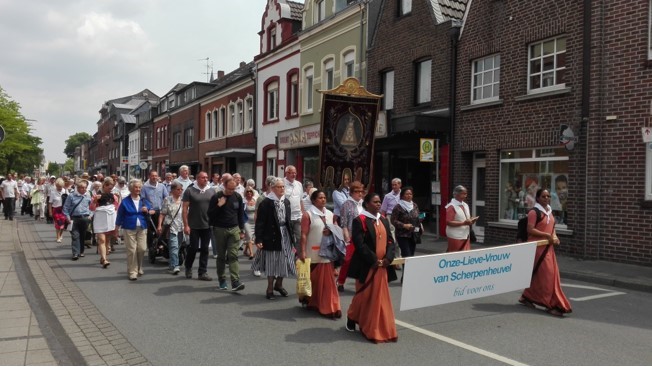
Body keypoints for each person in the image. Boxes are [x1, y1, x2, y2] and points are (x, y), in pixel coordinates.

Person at [345, 193, 398, 343]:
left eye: (379, 201)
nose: (378, 204)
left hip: (383, 266)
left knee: (380, 298)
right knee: (364, 295)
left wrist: (388, 258)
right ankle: (352, 316)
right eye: (375, 202)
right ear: (367, 204)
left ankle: (379, 327)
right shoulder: (359, 220)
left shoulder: (383, 220)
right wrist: (374, 260)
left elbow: (390, 242)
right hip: (367, 266)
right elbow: (359, 244)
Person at [519, 189, 572, 317]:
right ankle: (551, 304)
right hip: (537, 248)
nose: (546, 198)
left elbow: (552, 229)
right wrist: (546, 235)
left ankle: (527, 297)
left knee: (544, 275)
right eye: (543, 196)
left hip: (548, 248)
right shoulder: (534, 212)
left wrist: (554, 236)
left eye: (548, 196)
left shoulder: (549, 212)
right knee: (547, 276)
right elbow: (530, 229)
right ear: (537, 198)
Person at [299, 189, 342, 318]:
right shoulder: (308, 214)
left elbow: (336, 230)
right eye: (320, 198)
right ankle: (311, 300)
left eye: (324, 197)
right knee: (313, 280)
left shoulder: (330, 214)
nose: (323, 200)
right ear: (313, 200)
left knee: (328, 282)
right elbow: (304, 234)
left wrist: (332, 231)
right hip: (312, 251)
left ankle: (330, 307)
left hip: (327, 253)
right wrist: (302, 251)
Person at [255, 177, 297, 300]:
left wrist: (292, 236)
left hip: (285, 234)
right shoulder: (266, 203)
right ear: (272, 188)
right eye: (279, 187)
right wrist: (259, 239)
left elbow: (289, 220)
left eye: (283, 186)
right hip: (272, 235)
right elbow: (260, 222)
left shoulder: (286, 201)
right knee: (272, 262)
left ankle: (279, 284)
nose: (282, 189)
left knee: (286, 260)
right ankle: (269, 288)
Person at [208, 177, 245, 291]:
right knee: (221, 257)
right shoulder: (216, 197)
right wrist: (219, 205)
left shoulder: (237, 197)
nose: (231, 191)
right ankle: (222, 280)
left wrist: (242, 230)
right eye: (229, 189)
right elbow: (210, 214)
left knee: (233, 255)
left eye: (233, 189)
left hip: (234, 229)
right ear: (224, 185)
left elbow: (240, 214)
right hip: (220, 229)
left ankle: (235, 281)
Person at [115, 179, 153, 281]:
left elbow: (150, 209)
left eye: (139, 187)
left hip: (142, 227)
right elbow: (120, 215)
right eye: (136, 187)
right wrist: (116, 228)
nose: (138, 189)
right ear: (131, 188)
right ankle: (132, 272)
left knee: (142, 248)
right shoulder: (125, 201)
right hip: (129, 227)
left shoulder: (143, 200)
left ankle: (139, 267)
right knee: (132, 250)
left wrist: (147, 210)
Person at [182, 171, 215, 281]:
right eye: (203, 177)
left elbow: (215, 208)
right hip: (193, 225)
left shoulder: (211, 191)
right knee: (193, 248)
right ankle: (188, 266)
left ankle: (202, 272)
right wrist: (186, 225)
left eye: (206, 177)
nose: (205, 179)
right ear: (197, 178)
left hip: (207, 225)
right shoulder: (189, 191)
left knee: (205, 249)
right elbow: (185, 210)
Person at [336, 181, 365, 291]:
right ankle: (340, 281)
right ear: (352, 193)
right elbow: (343, 223)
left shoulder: (363, 203)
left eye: (361, 191)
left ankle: (361, 282)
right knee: (347, 260)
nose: (359, 194)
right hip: (351, 235)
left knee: (363, 259)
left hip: (363, 235)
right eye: (357, 191)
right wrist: (347, 237)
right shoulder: (346, 204)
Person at [390, 186, 423, 281]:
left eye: (410, 194)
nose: (409, 196)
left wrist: (421, 224)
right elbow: (393, 220)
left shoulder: (415, 205)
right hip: (402, 235)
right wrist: (404, 225)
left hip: (414, 233)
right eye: (407, 194)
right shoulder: (398, 207)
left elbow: (419, 215)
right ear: (402, 196)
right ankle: (406, 277)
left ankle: (407, 276)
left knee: (411, 256)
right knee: (407, 255)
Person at [90, 177, 119, 268]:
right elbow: (91, 208)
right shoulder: (96, 195)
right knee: (102, 239)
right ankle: (105, 259)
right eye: (109, 188)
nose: (111, 190)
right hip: (100, 219)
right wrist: (95, 201)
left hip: (109, 219)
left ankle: (103, 257)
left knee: (107, 240)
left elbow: (116, 207)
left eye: (112, 188)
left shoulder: (113, 196)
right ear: (104, 185)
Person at [157, 181, 184, 275]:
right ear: (172, 190)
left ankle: (172, 264)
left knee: (178, 246)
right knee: (174, 246)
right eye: (178, 189)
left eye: (181, 189)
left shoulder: (184, 200)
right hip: (170, 226)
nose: (180, 191)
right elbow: (162, 213)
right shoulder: (167, 200)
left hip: (181, 227)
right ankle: (175, 266)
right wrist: (159, 225)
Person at [62, 180, 92, 261]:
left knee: (82, 235)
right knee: (75, 236)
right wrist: (67, 217)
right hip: (74, 219)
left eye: (85, 188)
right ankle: (75, 253)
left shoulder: (88, 196)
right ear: (78, 188)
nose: (84, 189)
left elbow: (92, 207)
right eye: (82, 188)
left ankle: (81, 251)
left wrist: (90, 215)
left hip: (85, 218)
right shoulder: (71, 196)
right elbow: (65, 208)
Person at [140, 170, 168, 255]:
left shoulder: (162, 186)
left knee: (161, 229)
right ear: (149, 176)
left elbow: (166, 197)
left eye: (156, 176)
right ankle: (151, 247)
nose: (154, 177)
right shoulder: (144, 187)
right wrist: (148, 208)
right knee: (150, 230)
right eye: (152, 176)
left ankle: (160, 245)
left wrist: (166, 208)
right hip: (150, 211)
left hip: (160, 211)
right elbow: (142, 199)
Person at [445, 185, 477, 252]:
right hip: (455, 235)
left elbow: (465, 218)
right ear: (456, 194)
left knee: (465, 255)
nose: (466, 195)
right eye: (464, 194)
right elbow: (448, 222)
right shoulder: (451, 206)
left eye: (466, 193)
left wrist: (471, 220)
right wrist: (464, 223)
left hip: (465, 234)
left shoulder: (465, 205)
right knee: (455, 255)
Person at [284, 165, 304, 248]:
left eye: (295, 173)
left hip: (298, 216)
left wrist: (303, 213)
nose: (294, 175)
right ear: (286, 173)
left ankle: (298, 257)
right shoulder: (282, 183)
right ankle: (288, 257)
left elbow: (301, 200)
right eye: (291, 173)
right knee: (287, 238)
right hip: (286, 216)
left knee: (300, 238)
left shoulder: (299, 184)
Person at [49, 178, 67, 243]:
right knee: (58, 224)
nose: (59, 188)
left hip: (63, 210)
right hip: (56, 209)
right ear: (56, 186)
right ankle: (58, 237)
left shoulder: (65, 191)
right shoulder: (53, 192)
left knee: (63, 224)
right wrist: (50, 211)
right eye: (58, 186)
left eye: (61, 186)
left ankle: (60, 234)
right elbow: (50, 202)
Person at [243, 188, 257, 260]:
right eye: (247, 192)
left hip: (254, 221)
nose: (249, 193)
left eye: (250, 192)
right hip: (246, 221)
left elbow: (257, 211)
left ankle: (245, 251)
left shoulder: (255, 200)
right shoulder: (243, 201)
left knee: (251, 237)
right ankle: (251, 253)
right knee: (249, 235)